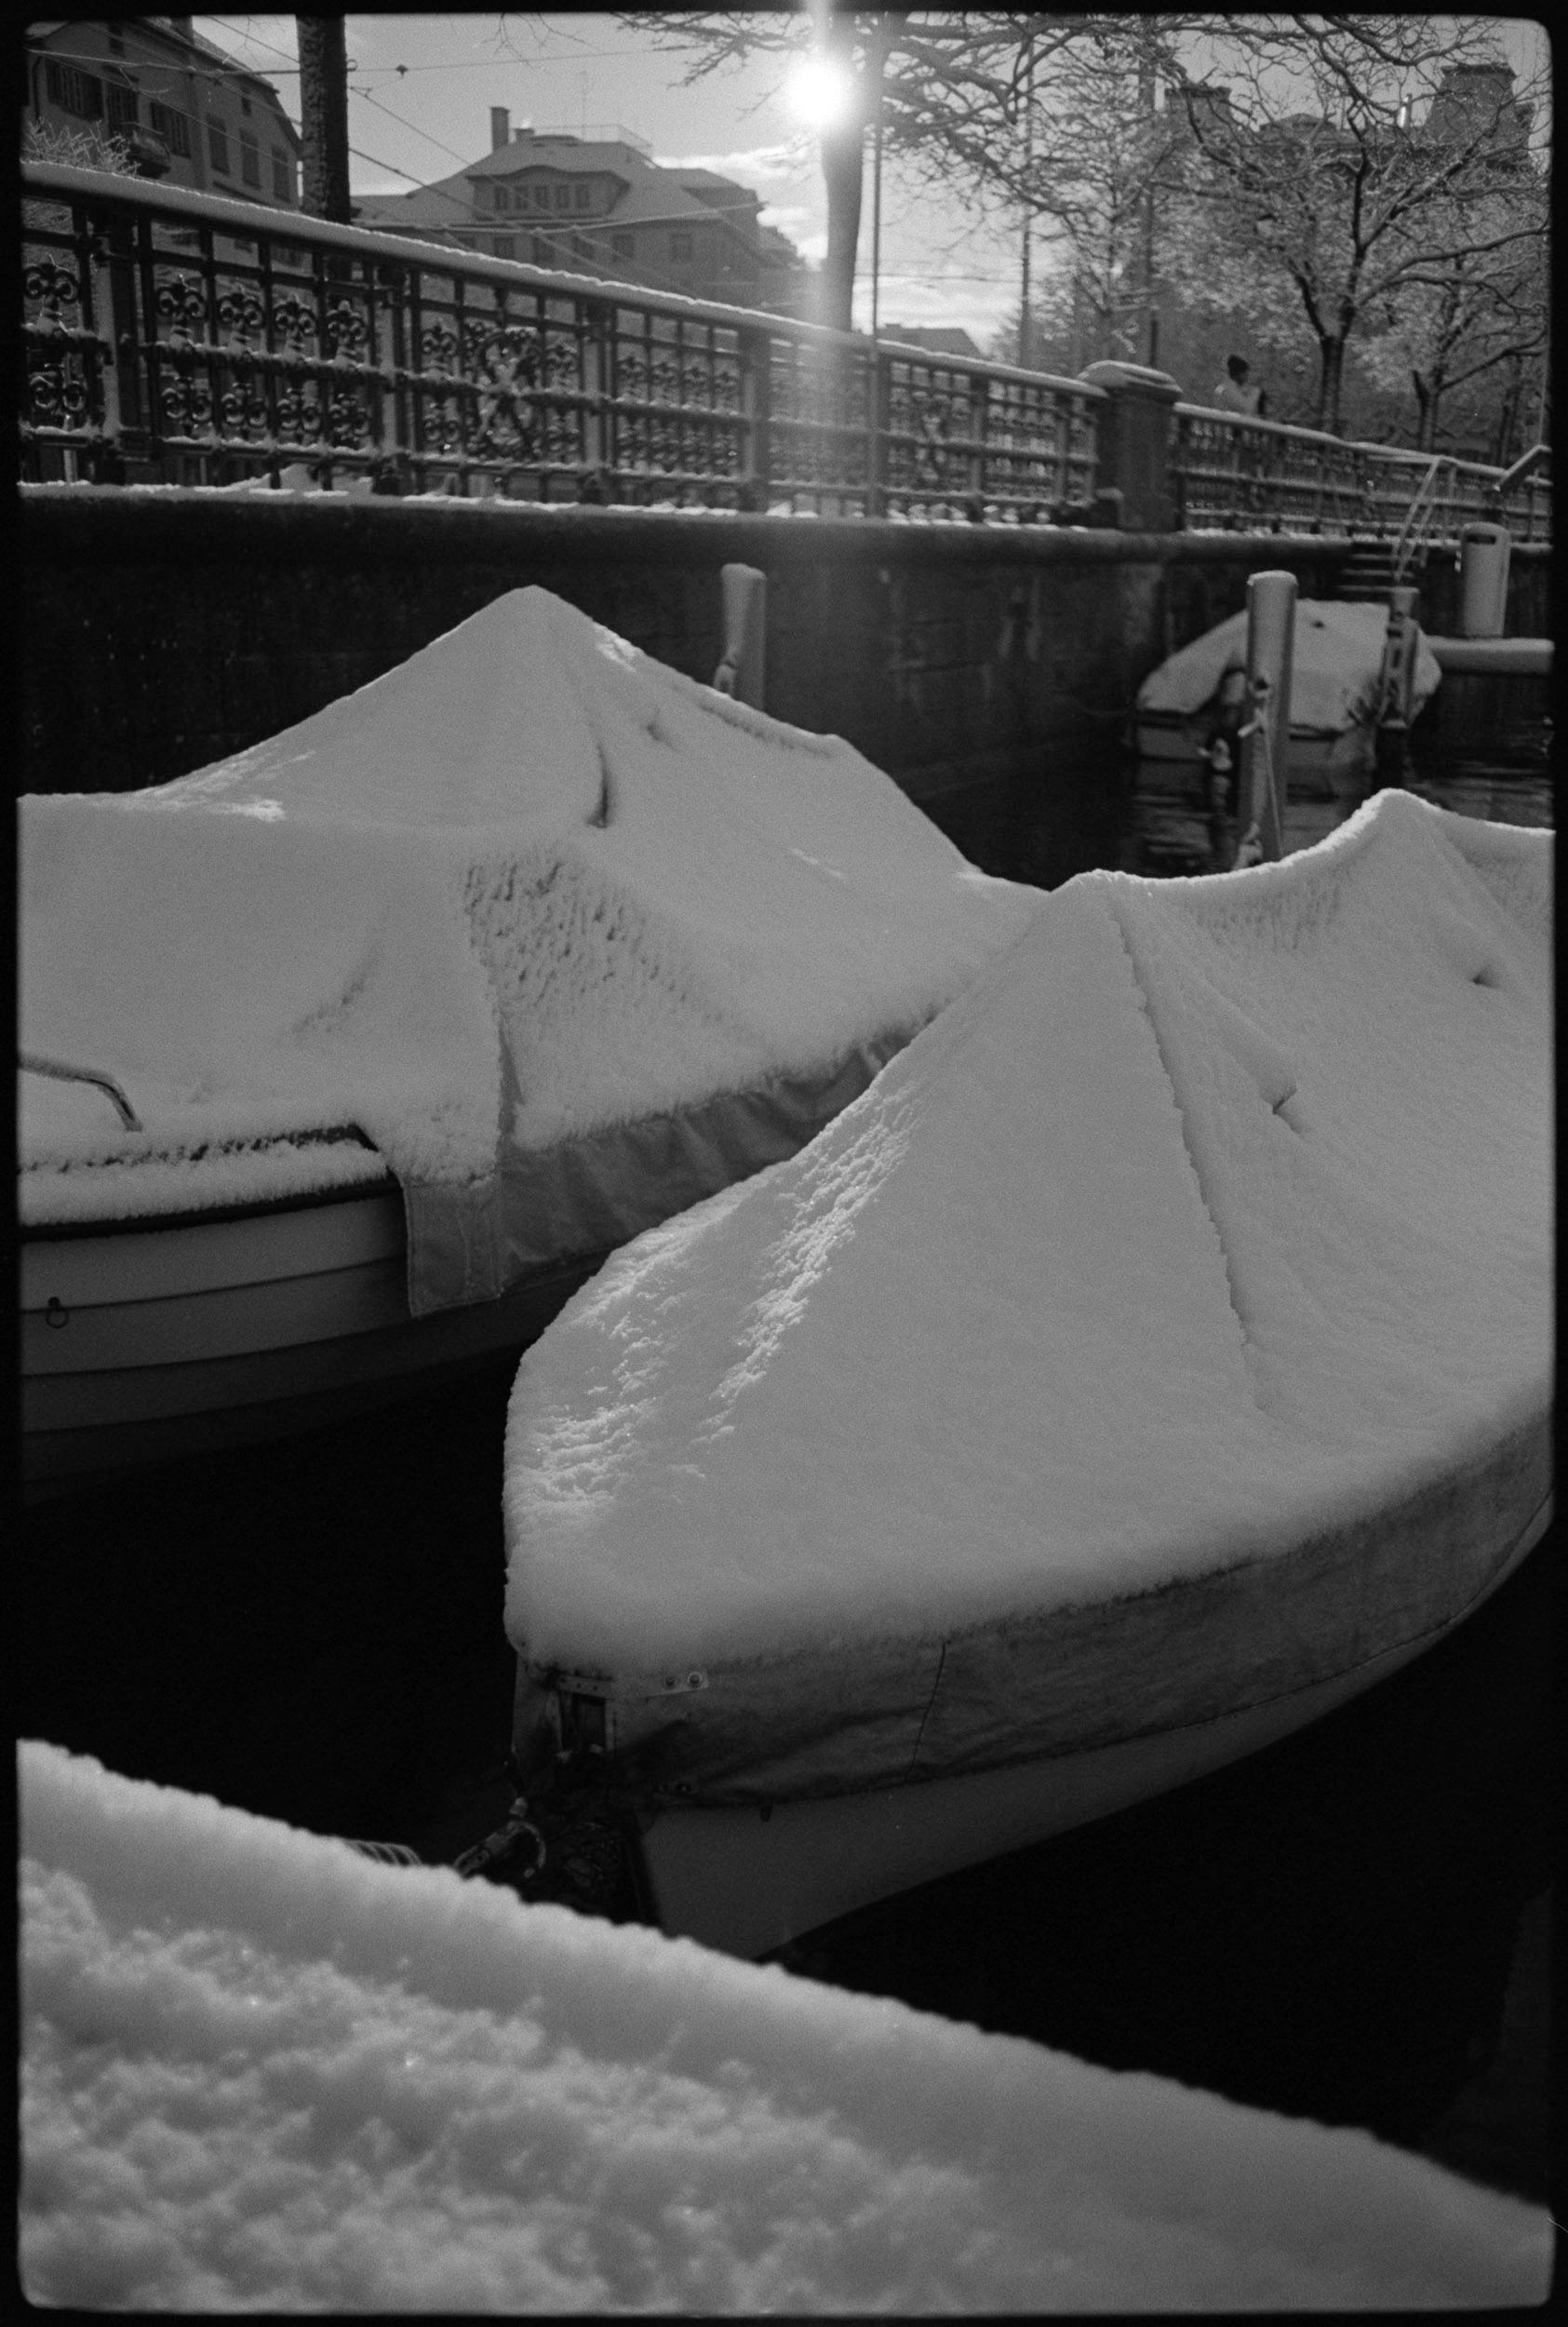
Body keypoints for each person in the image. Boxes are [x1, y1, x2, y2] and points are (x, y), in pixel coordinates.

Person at [1212, 354, 1266, 418]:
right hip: (1230, 425)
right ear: (1239, 374)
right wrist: (1256, 393)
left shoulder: (1222, 388)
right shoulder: (1227, 389)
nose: (1247, 377)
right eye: (1245, 374)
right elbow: (1246, 407)